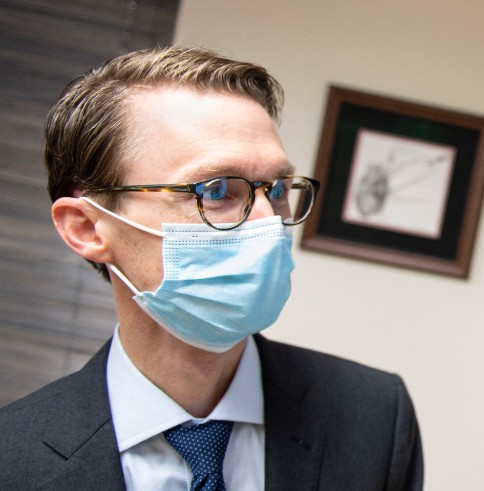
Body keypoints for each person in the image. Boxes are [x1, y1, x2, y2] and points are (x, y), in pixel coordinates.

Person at [0, 47, 423, 490]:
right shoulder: (12, 459)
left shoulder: (375, 418)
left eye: (278, 189)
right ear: (87, 228)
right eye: (216, 190)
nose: (269, 221)